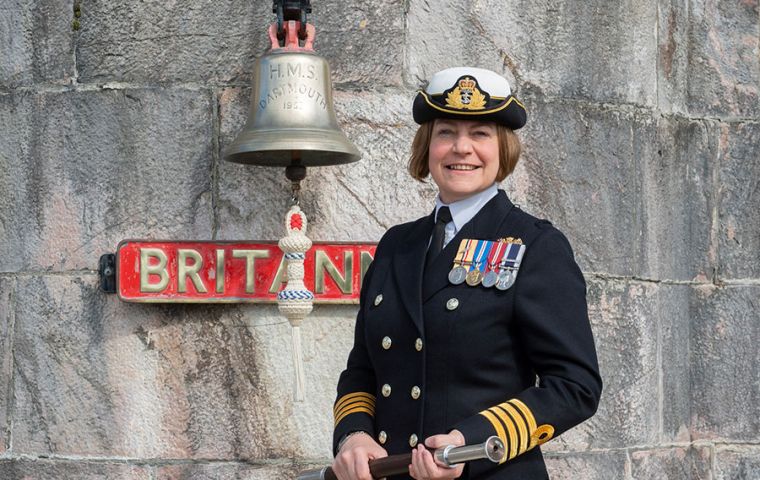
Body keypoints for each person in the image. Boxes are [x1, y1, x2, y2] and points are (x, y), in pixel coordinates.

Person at [330, 67, 602, 480]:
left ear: (502, 148)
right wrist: (353, 435)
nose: (461, 148)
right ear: (427, 145)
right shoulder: (396, 245)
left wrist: (471, 443)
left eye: (480, 133)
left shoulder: (535, 245)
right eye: (445, 132)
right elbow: (363, 368)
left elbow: (575, 385)